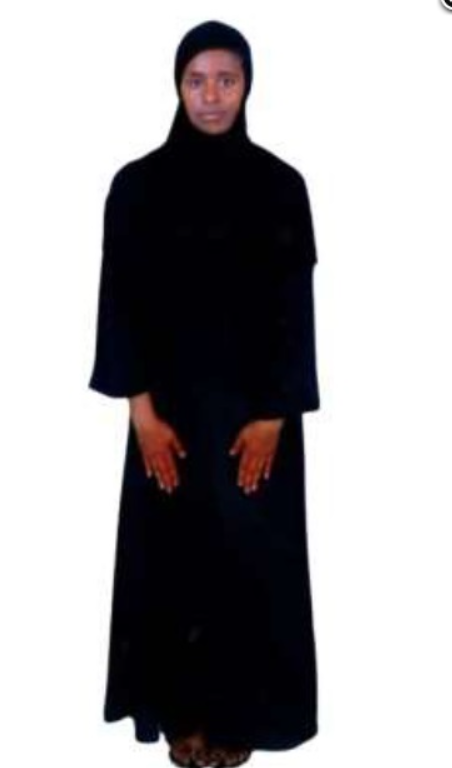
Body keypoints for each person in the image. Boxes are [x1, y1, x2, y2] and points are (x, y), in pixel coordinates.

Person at [88, 19, 321, 768]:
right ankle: (183, 717)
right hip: (170, 421)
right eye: (197, 80)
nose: (212, 95)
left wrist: (275, 416)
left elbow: (294, 312)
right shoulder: (137, 187)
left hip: (257, 420)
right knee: (173, 562)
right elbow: (119, 306)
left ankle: (239, 719)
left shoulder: (281, 188)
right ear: (177, 86)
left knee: (249, 565)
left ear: (248, 85)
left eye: (226, 79)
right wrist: (142, 417)